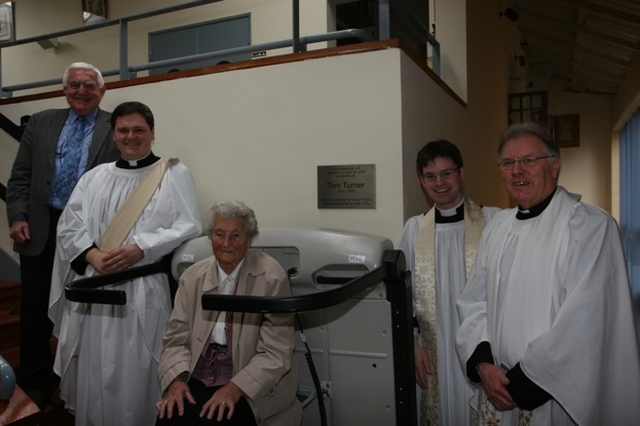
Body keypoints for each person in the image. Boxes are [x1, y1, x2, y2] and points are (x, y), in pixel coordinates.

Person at [456, 122, 640, 425]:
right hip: (498, 385)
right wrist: (483, 365)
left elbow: (584, 321)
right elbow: (474, 301)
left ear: (555, 167)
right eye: (508, 163)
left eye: (529, 160)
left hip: (551, 395)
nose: (517, 171)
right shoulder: (497, 228)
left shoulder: (589, 226)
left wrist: (520, 385)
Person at [47, 101, 203, 425]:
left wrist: (140, 248)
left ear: (153, 133)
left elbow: (188, 224)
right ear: (114, 134)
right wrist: (92, 255)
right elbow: (69, 224)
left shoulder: (173, 174)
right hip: (95, 292)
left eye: (138, 130)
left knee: (137, 369)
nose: (131, 136)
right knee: (96, 368)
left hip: (142, 290)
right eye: (123, 130)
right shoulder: (94, 178)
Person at [5, 61, 119, 408]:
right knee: (35, 307)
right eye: (74, 85)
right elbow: (20, 174)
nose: (81, 91)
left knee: (84, 305)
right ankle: (37, 378)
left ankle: (81, 378)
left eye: (89, 85)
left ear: (102, 91)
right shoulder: (40, 123)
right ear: (64, 89)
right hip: (40, 227)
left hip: (89, 232)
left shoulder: (115, 125)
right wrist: (18, 215)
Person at [156, 200, 302, 426]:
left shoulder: (272, 278)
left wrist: (234, 389)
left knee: (223, 419)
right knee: (170, 418)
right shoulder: (192, 277)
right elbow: (176, 340)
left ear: (250, 238)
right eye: (219, 234)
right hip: (198, 374)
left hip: (248, 380)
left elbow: (276, 353)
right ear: (209, 236)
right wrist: (176, 381)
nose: (226, 243)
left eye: (236, 236)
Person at [398, 140, 499, 425]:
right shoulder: (415, 228)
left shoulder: (493, 220)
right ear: (421, 180)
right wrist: (412, 344)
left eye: (447, 173)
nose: (439, 182)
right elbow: (401, 292)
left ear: (462, 173)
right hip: (434, 343)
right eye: (430, 176)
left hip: (483, 341)